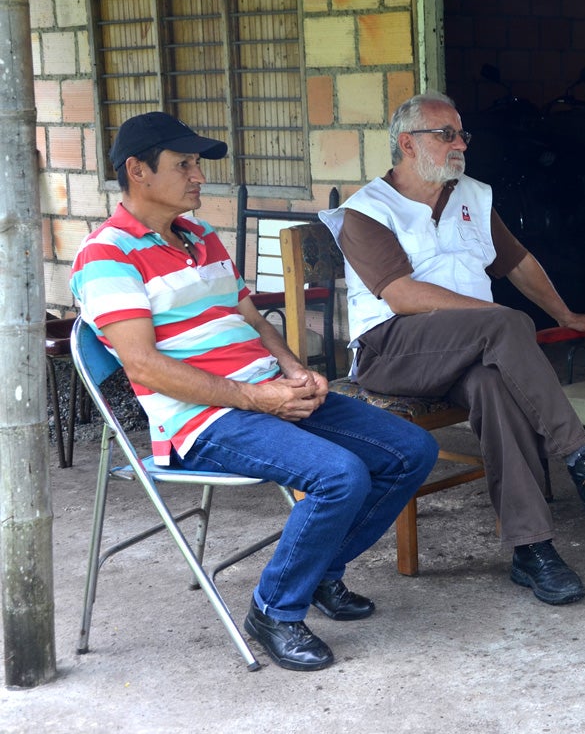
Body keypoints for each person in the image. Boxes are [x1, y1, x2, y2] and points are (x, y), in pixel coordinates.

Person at [70, 112, 439, 672]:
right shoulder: (107, 255)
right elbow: (143, 365)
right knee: (340, 475)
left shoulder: (201, 236)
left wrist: (293, 370)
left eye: (198, 164)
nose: (199, 176)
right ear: (137, 171)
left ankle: (319, 573)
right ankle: (273, 610)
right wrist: (254, 397)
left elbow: (254, 321)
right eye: (184, 165)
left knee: (412, 450)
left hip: (264, 393)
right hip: (200, 420)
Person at [320, 91, 585, 607]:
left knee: (494, 387)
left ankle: (533, 550)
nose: (461, 143)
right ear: (408, 144)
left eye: (462, 134)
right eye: (447, 135)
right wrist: (492, 319)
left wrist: (564, 313)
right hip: (390, 349)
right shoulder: (366, 210)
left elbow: (518, 262)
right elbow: (400, 294)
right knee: (504, 325)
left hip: (465, 350)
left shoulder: (471, 195)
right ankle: (584, 463)